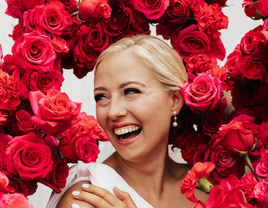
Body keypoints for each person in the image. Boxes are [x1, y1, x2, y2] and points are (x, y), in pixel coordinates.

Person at [46, 34, 209, 208]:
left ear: (174, 100)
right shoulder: (87, 199)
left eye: (131, 91)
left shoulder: (205, 185)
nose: (113, 111)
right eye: (102, 97)